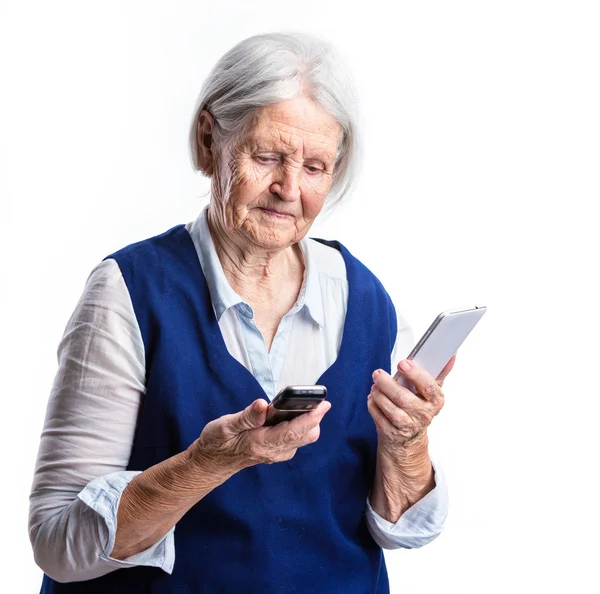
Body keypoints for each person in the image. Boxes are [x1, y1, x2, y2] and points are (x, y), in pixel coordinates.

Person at [29, 32, 455, 593]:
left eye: (315, 167)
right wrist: (207, 463)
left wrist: (406, 446)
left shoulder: (363, 296)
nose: (288, 189)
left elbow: (398, 528)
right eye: (268, 156)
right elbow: (58, 541)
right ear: (210, 139)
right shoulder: (128, 292)